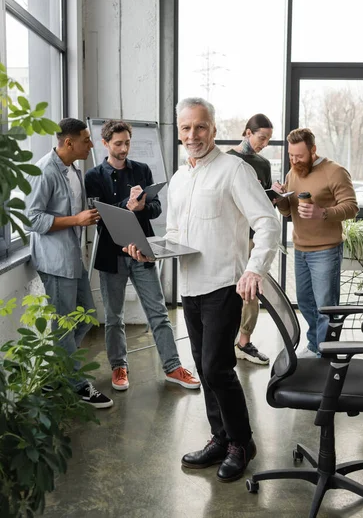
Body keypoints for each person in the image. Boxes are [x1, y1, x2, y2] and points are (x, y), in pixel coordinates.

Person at [123, 98, 280, 483]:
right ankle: (220, 437)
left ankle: (242, 443)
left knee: (216, 367)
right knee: (205, 367)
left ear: (213, 128)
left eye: (200, 127)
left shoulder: (234, 171)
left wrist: (254, 271)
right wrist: (149, 252)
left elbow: (268, 223)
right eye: (185, 129)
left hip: (225, 284)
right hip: (191, 286)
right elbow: (175, 234)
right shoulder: (179, 179)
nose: (192, 135)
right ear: (178, 132)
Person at [84, 120, 200, 392]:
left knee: (158, 312)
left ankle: (173, 367)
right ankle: (119, 366)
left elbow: (157, 208)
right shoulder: (93, 177)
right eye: (118, 144)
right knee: (114, 317)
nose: (124, 149)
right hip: (111, 254)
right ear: (105, 144)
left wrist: (143, 206)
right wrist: (126, 205)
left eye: (127, 143)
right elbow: (97, 215)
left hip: (142, 250)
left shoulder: (142, 170)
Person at [25, 118, 113, 409]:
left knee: (86, 315)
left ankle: (56, 373)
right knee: (63, 326)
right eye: (86, 140)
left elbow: (71, 208)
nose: (91, 144)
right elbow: (33, 219)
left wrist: (88, 213)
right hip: (55, 261)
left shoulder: (74, 169)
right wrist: (76, 220)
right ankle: (76, 385)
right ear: (69, 143)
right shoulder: (44, 171)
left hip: (73, 256)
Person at [271, 127, 358, 358]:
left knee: (325, 308)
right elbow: (288, 212)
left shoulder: (335, 171)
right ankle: (314, 345)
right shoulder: (293, 173)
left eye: (299, 156)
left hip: (326, 250)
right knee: (306, 304)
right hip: (300, 249)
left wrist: (323, 213)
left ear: (313, 150)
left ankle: (326, 354)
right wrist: (279, 199)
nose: (294, 160)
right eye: (291, 155)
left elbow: (352, 208)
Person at [227, 113, 273, 365]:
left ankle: (244, 343)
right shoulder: (227, 161)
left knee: (251, 292)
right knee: (226, 291)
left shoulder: (263, 164)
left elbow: (263, 204)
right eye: (261, 137)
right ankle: (227, 341)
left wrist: (273, 197)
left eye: (268, 139)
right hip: (231, 236)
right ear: (247, 132)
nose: (264, 143)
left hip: (253, 238)